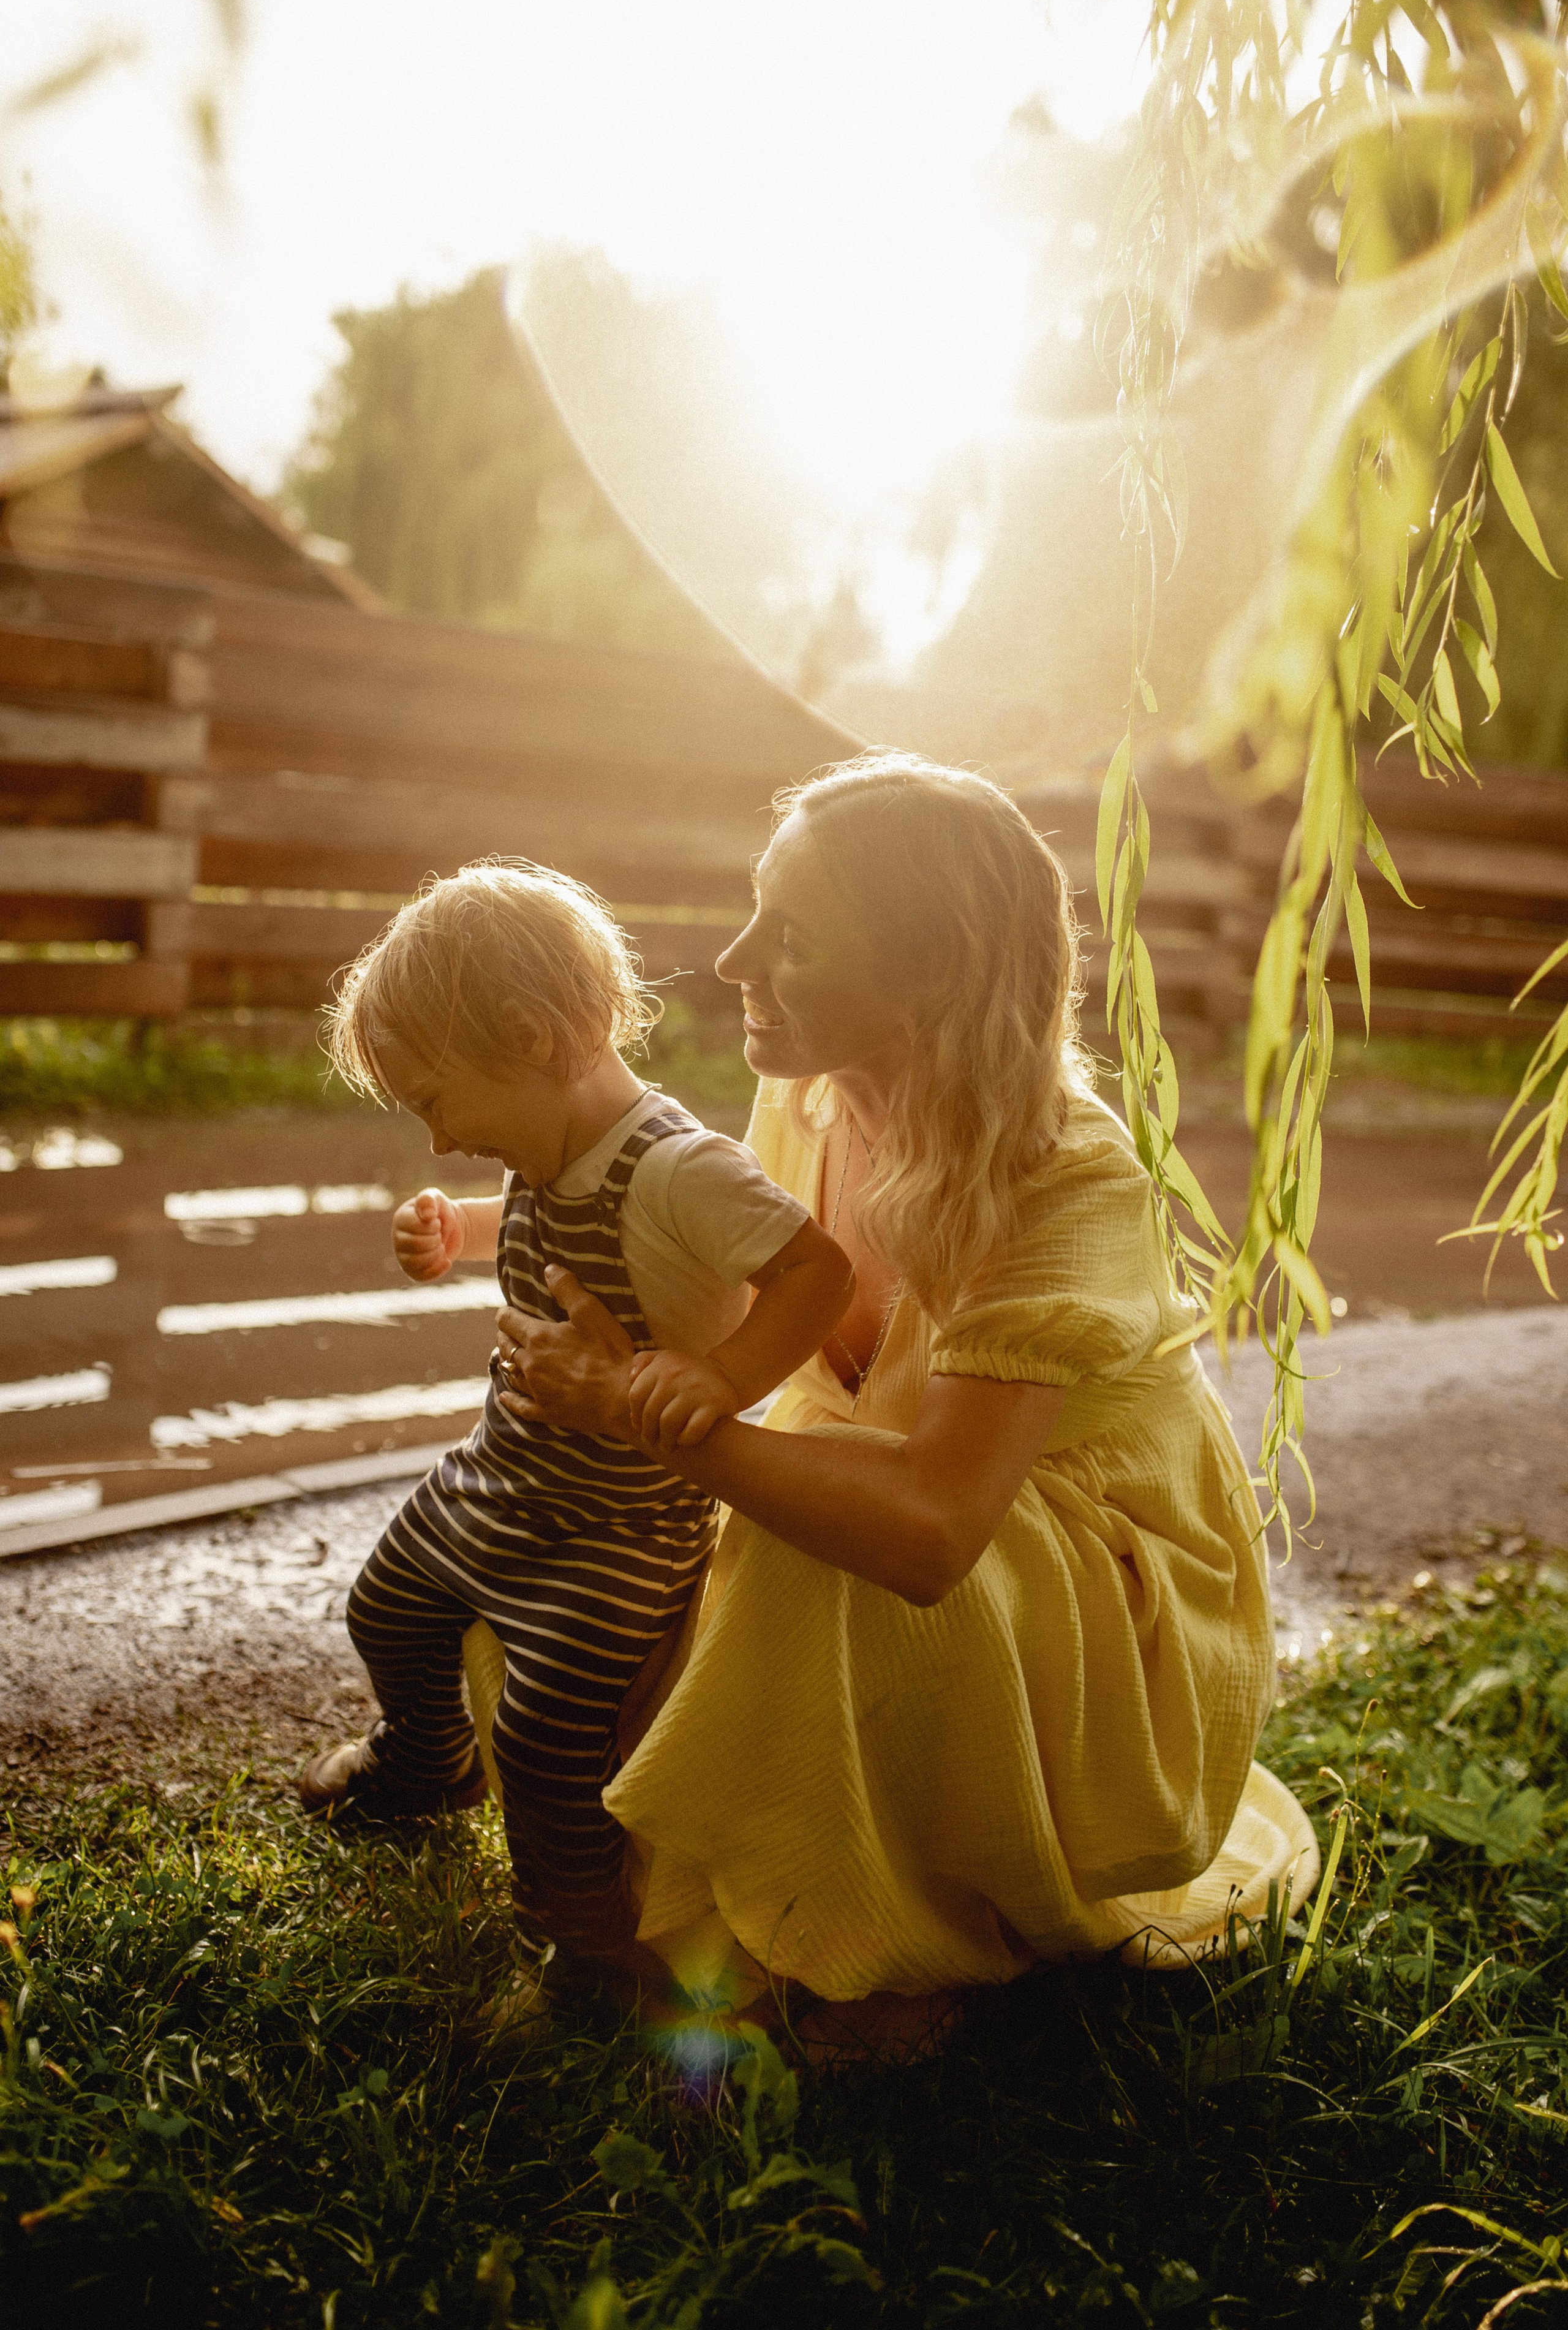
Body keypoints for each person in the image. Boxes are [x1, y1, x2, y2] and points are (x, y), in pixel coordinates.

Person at [481, 752, 1317, 2048]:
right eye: (757, 906)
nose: (732, 958)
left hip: (1087, 1575)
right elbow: (744, 1324)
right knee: (572, 1541)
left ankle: (897, 1953)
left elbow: (929, 1527)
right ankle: (723, 1878)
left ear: (932, 983)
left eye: (795, 937)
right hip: (899, 1500)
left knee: (811, 1556)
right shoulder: (806, 1092)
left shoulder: (1069, 1180)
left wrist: (667, 1426)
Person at [298, 860, 853, 1959]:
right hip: (500, 1473)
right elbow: (529, 1194)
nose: (441, 1139)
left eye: (439, 1103)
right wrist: (458, 1227)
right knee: (386, 1606)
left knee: (551, 1737)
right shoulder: (553, 1143)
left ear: (534, 1038)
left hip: (621, 1526)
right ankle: (426, 1764)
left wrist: (723, 1379)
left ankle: (583, 1931)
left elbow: (818, 1273)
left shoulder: (684, 1170)